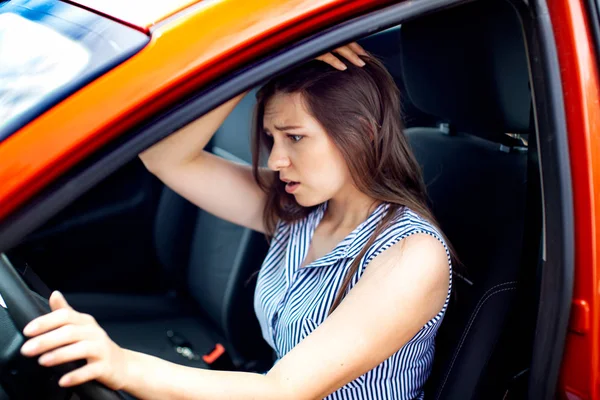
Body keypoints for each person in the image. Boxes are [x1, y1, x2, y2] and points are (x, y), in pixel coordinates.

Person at [19, 43, 452, 400]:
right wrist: (256, 56)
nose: (277, 159)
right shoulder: (297, 208)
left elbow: (282, 391)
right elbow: (165, 158)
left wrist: (122, 363)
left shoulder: (411, 256)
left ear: (364, 132)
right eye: (272, 138)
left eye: (295, 137)